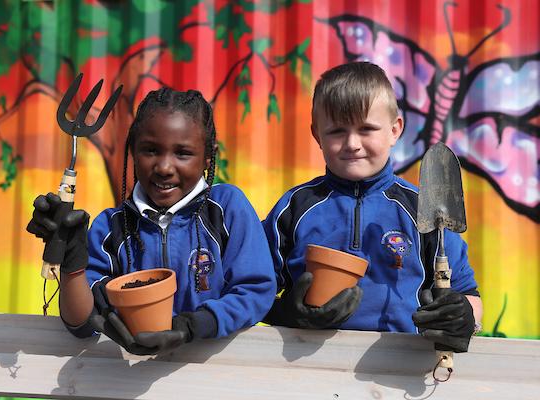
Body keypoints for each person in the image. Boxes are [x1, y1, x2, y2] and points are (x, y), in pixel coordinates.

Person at [27, 87, 277, 355]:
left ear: (207, 156)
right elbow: (81, 323)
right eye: (150, 150)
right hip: (127, 384)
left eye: (182, 153)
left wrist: (191, 326)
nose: (164, 167)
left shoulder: (226, 209)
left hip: (213, 378)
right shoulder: (110, 228)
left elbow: (255, 290)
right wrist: (71, 257)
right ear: (133, 151)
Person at [262, 62, 482, 353]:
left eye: (366, 129)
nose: (352, 143)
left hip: (402, 373)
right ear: (317, 135)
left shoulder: (423, 208)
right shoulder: (293, 208)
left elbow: (469, 295)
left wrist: (463, 318)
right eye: (337, 131)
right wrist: (282, 312)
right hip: (305, 367)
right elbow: (251, 290)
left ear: (394, 130)